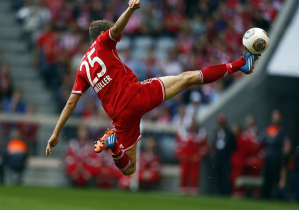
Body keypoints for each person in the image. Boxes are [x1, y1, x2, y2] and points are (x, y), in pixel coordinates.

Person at [46, 0, 259, 176]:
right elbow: (117, 28)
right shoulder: (103, 41)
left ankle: (113, 146)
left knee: (130, 168)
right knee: (187, 78)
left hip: (119, 116)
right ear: (102, 33)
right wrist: (130, 8)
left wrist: (56, 133)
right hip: (136, 95)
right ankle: (241, 64)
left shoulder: (82, 67)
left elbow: (71, 102)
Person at [262, 109, 291, 199]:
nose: (275, 118)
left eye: (277, 116)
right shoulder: (268, 129)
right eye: (274, 116)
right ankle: (266, 197)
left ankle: (276, 197)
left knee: (276, 180)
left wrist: (284, 152)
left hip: (276, 159)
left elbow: (287, 144)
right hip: (267, 158)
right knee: (267, 180)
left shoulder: (282, 130)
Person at [176, 119, 207, 195]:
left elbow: (203, 147)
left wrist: (198, 156)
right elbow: (178, 145)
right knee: (184, 174)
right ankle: (183, 189)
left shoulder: (200, 133)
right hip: (185, 157)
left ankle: (194, 190)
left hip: (194, 158)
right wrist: (180, 155)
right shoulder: (182, 132)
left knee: (194, 174)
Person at [212, 113, 236, 195]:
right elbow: (213, 143)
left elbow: (233, 145)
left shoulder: (229, 133)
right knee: (218, 175)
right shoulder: (215, 132)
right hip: (217, 157)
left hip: (226, 157)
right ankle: (218, 191)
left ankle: (225, 192)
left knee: (226, 175)